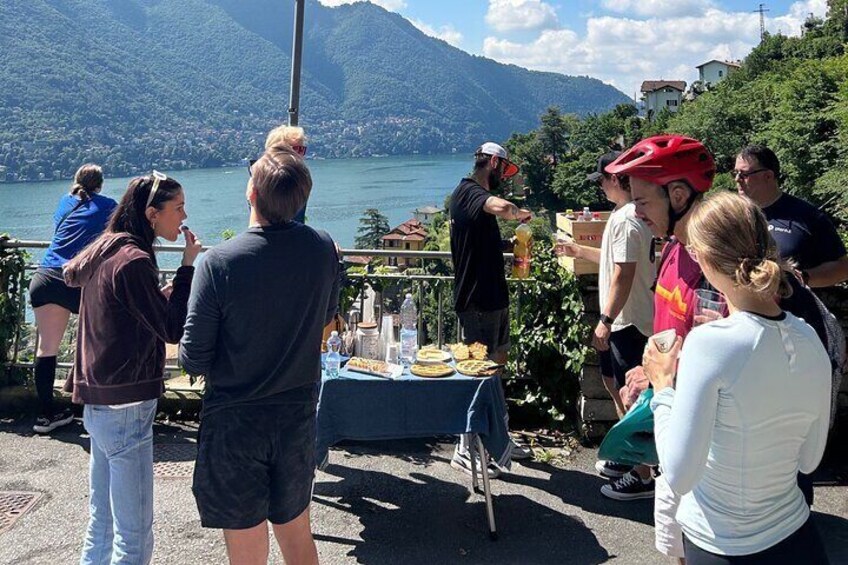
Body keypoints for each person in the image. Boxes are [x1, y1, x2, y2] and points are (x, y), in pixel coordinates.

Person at [643, 191, 831, 564]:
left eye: (693, 252)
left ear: (707, 258)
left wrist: (663, 385)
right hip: (798, 541)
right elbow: (808, 460)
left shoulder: (710, 344)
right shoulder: (808, 336)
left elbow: (679, 475)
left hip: (724, 545)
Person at [180, 145, 339, 565]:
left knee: (248, 550)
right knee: (298, 534)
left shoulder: (218, 264)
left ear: (251, 194)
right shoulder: (324, 249)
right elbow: (326, 319)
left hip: (236, 423)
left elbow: (193, 357)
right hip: (297, 415)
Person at [63, 171, 202, 564]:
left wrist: (166, 291)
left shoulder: (107, 249)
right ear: (152, 214)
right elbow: (172, 328)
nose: (184, 216)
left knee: (102, 525)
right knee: (135, 538)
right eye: (177, 208)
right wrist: (188, 267)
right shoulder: (135, 259)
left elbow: (134, 310)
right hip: (126, 404)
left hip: (97, 399)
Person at [604, 134, 716, 560]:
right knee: (676, 551)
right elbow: (668, 331)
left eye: (643, 201)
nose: (636, 212)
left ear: (680, 194)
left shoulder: (717, 268)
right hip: (674, 437)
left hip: (707, 453)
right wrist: (646, 373)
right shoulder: (673, 250)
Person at [557, 151, 654, 481]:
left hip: (629, 321)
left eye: (601, 180)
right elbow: (614, 260)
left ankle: (642, 472)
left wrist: (606, 320)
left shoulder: (628, 219)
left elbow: (623, 274)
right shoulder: (628, 214)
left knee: (633, 395)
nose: (599, 187)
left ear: (615, 178)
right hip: (627, 319)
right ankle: (630, 456)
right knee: (614, 384)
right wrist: (577, 250)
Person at [448, 142, 532, 477]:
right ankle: (464, 448)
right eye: (505, 170)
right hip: (476, 302)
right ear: (493, 162)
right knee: (476, 374)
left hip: (494, 298)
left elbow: (478, 240)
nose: (506, 177)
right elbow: (496, 205)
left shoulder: (473, 201)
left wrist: (507, 245)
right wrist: (517, 212)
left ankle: (500, 441)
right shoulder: (469, 191)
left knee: (495, 371)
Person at [28, 164, 117, 433]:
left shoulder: (65, 203)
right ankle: (89, 404)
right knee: (97, 337)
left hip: (43, 277)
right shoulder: (108, 205)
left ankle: (46, 415)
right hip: (73, 278)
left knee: (47, 349)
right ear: (100, 184)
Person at [734, 145, 848, 288]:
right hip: (741, 306)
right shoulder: (734, 215)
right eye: (735, 173)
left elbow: (843, 267)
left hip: (793, 307)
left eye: (744, 174)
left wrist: (802, 278)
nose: (737, 179)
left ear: (768, 176)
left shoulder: (807, 216)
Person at [265, 124, 309, 223]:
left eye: (301, 150)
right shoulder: (261, 180)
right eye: (294, 149)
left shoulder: (300, 178)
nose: (298, 155)